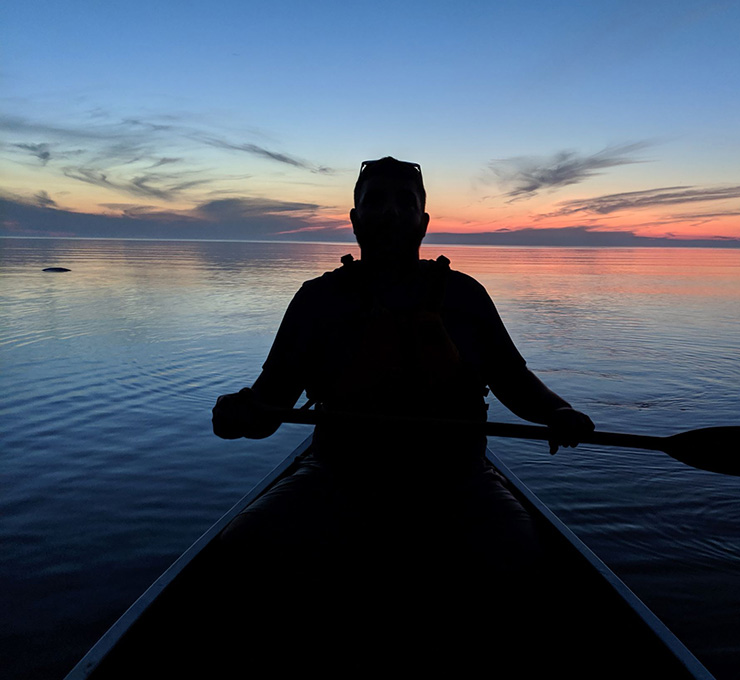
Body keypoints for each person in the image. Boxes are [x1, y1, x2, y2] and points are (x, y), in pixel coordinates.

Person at [208, 157, 595, 661]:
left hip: (457, 477)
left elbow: (514, 382)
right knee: (240, 557)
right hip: (337, 474)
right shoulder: (316, 301)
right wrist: (238, 417)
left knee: (519, 569)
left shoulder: (466, 296)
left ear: (424, 222)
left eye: (404, 204)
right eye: (375, 202)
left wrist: (558, 412)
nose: (389, 213)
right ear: (354, 219)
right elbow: (269, 407)